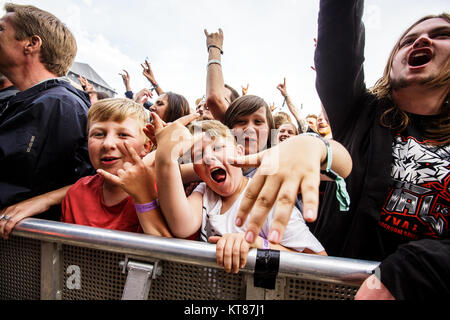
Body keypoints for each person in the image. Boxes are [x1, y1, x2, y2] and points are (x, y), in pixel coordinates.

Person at [234, 0, 449, 300]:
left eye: (441, 34)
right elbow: (339, 40)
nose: (422, 40)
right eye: (407, 41)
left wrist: (403, 274)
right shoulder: (361, 112)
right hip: (321, 292)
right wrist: (311, 144)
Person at [153, 115, 342, 274]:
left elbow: (319, 263)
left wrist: (258, 244)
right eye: (198, 154)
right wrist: (166, 157)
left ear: (240, 153)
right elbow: (182, 226)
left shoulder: (267, 199)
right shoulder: (204, 192)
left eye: (218, 148)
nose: (209, 157)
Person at [0, 3, 94, 239]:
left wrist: (41, 202)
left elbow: (84, 182)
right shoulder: (31, 101)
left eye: (1, 29)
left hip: (25, 251)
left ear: (31, 44)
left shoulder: (61, 105)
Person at [61, 98, 171, 236]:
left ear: (146, 146)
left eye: (123, 135)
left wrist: (144, 199)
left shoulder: (167, 192)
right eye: (98, 134)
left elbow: (172, 253)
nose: (108, 144)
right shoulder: (77, 192)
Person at [204, 28, 240, 122]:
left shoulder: (234, 134)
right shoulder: (186, 131)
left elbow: (214, 97)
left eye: (223, 99)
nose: (207, 104)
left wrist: (214, 48)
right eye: (205, 97)